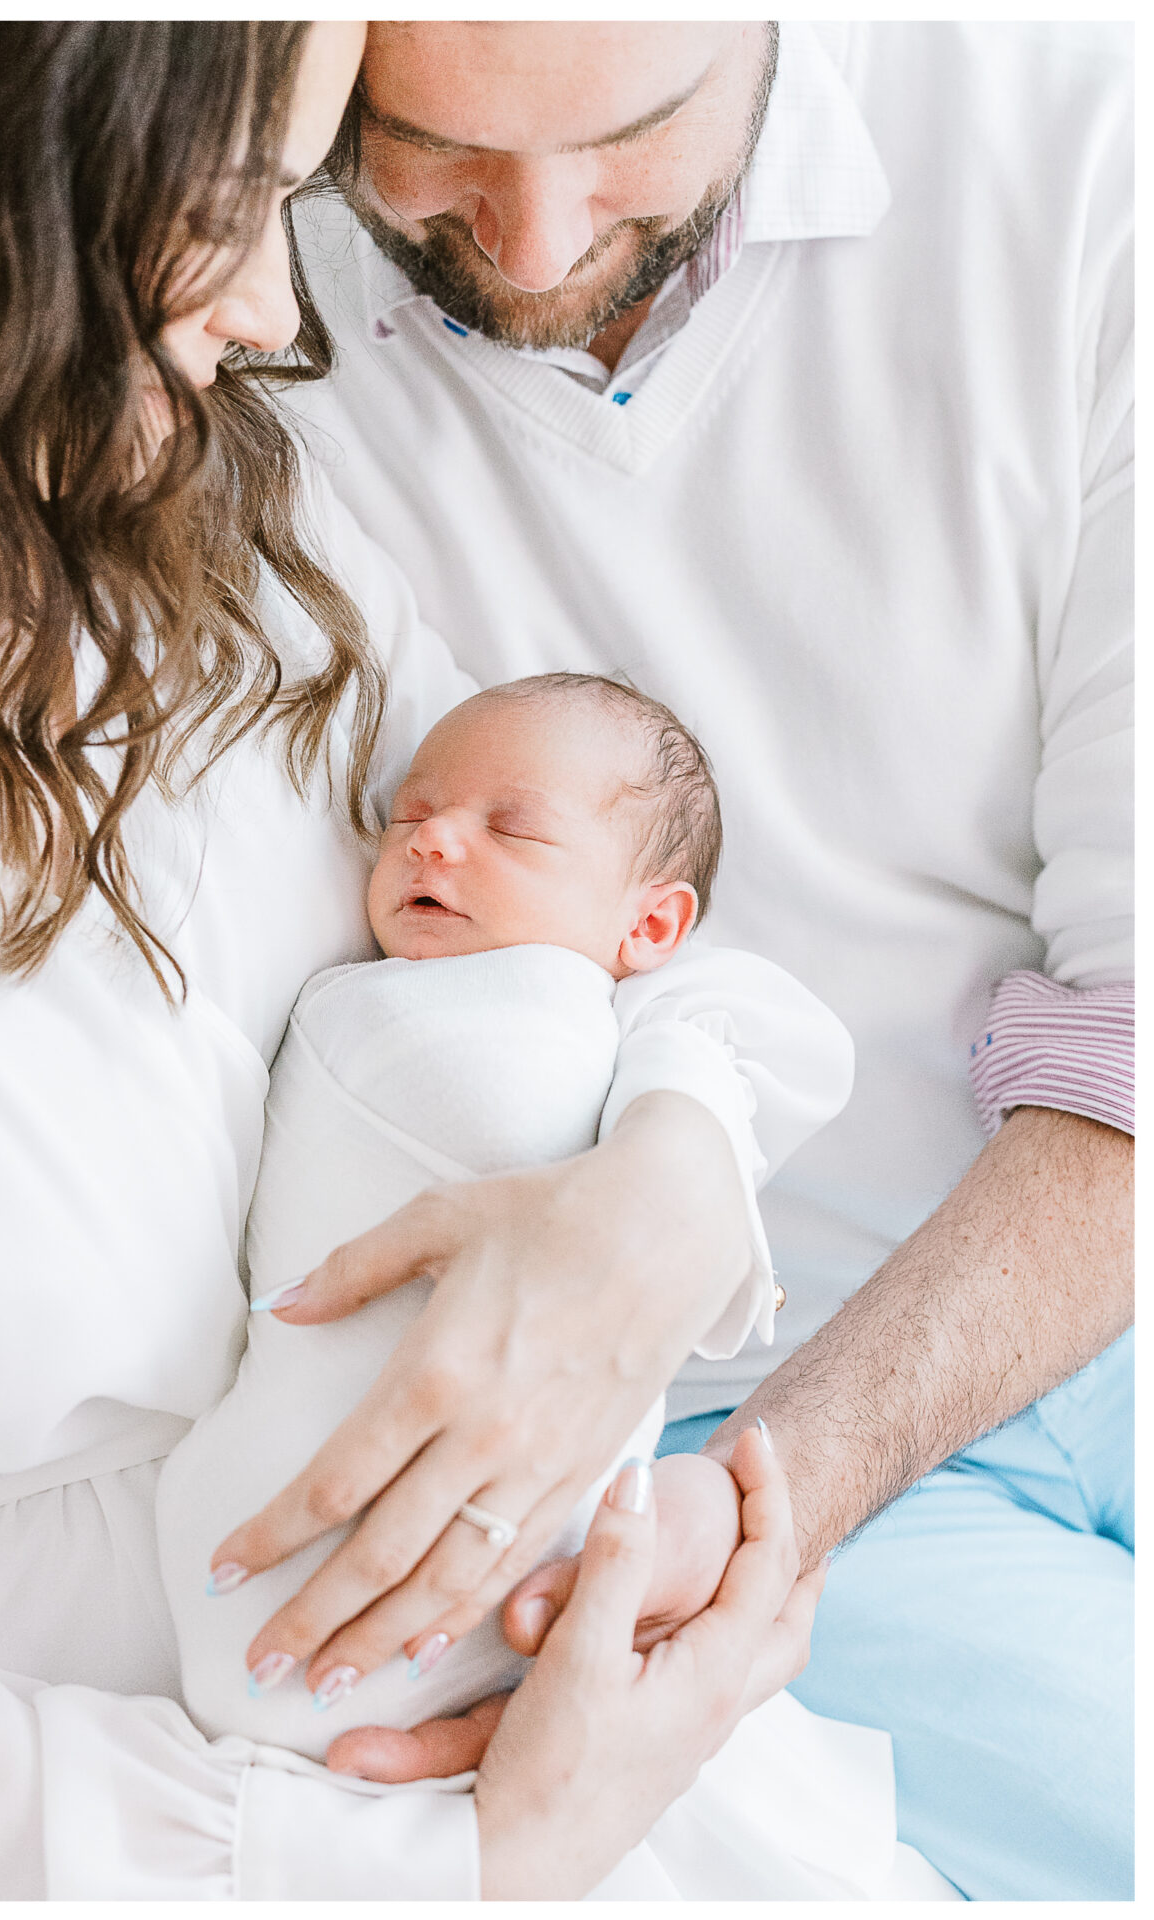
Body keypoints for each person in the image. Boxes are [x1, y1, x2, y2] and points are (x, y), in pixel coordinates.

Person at [0, 21, 882, 1900]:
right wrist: (479, 1847)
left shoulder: (242, 551)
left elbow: (609, 902)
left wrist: (664, 1197)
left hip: (533, 1709)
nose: (279, 310)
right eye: (234, 205)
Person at [247, 19, 1134, 1900]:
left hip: (1002, 1303)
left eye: (633, 141)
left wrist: (760, 1505)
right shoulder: (232, 295)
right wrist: (718, 1521)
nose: (538, 237)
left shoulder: (1080, 160)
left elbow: (1133, 1044)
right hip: (736, 1415)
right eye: (427, 153)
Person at [159, 678, 847, 1754]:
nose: (432, 840)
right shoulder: (366, 1004)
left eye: (512, 829)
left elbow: (770, 1036)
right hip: (257, 1546)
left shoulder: (592, 1041)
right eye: (408, 816)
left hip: (543, 1587)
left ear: (649, 923)